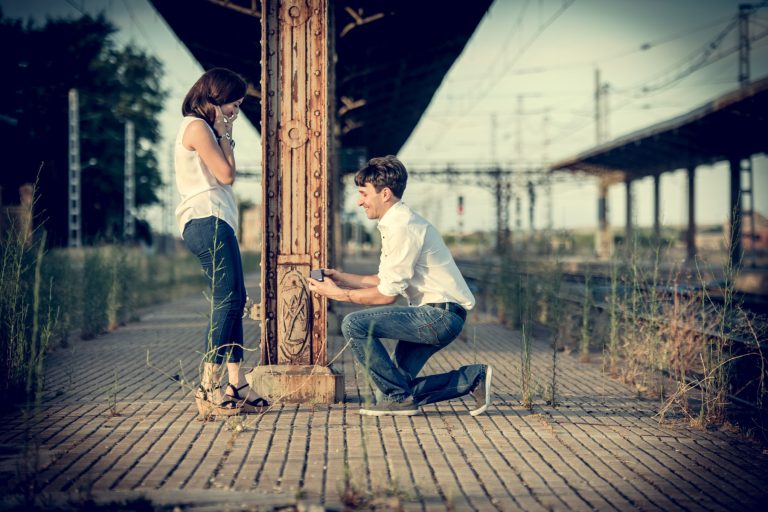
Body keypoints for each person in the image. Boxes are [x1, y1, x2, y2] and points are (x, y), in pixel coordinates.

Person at [308, 155, 492, 416]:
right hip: (438, 313)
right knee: (394, 388)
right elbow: (385, 280)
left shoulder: (403, 226)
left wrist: (339, 295)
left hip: (438, 316)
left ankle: (399, 397)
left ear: (385, 194)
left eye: (363, 194)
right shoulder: (397, 222)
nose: (359, 201)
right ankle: (473, 378)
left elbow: (386, 296)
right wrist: (341, 277)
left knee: (353, 324)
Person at [174, 67, 267, 416]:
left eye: (239, 106)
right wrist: (226, 131)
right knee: (227, 300)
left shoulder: (209, 130)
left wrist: (225, 131)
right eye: (233, 104)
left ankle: (237, 384)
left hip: (217, 219)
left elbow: (227, 173)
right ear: (215, 96)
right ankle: (207, 388)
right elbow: (226, 175)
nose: (235, 112)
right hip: (205, 217)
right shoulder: (196, 126)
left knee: (236, 299)